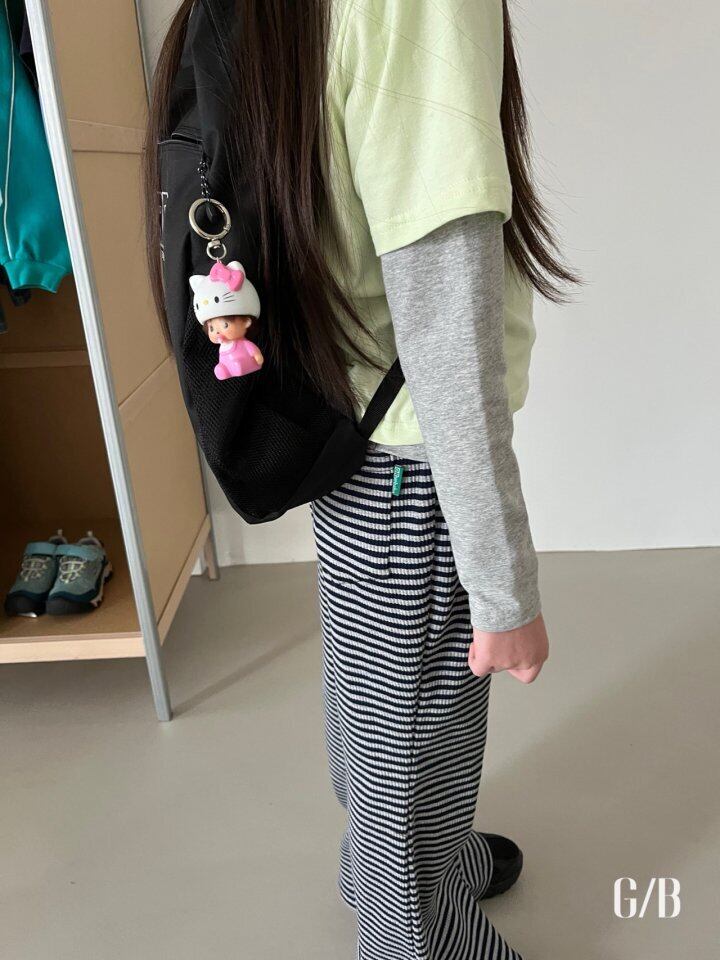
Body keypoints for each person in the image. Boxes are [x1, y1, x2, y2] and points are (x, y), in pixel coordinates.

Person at [147, 2, 577, 957]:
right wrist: (503, 587)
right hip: (414, 451)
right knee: (419, 732)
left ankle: (408, 864)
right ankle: (411, 924)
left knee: (373, 701)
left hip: (347, 420)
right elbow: (443, 319)